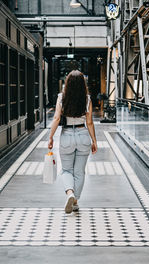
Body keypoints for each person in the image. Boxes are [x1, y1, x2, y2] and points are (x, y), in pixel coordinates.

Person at [48, 70, 97, 214]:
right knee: (79, 172)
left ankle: (70, 193)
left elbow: (56, 118)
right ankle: (75, 201)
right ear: (83, 84)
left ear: (67, 83)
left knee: (66, 170)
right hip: (83, 135)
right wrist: (94, 141)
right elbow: (90, 122)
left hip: (67, 135)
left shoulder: (61, 98)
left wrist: (50, 137)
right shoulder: (87, 99)